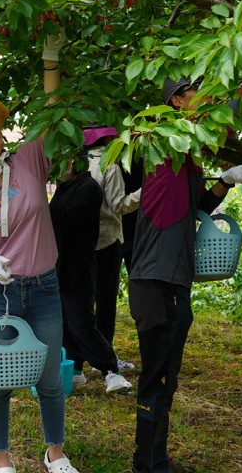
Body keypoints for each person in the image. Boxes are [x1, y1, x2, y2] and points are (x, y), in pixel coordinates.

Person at [0, 33, 82, 473]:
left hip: (43, 286)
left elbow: (51, 113)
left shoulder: (27, 159)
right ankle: (2, 459)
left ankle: (55, 452)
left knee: (48, 379)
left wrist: (50, 59)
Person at [128, 75, 242, 473]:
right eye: (196, 94)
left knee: (166, 377)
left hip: (173, 282)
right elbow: (218, 116)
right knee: (157, 376)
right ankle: (147, 462)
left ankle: (154, 458)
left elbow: (199, 205)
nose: (206, 101)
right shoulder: (163, 153)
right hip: (155, 284)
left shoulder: (185, 162)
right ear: (175, 102)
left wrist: (225, 181)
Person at [50, 154, 132, 393]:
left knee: (82, 322)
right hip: (60, 264)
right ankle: (74, 371)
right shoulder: (65, 187)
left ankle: (110, 370)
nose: (56, 170)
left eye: (60, 162)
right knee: (67, 322)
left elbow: (62, 219)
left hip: (79, 266)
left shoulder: (88, 188)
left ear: (73, 160)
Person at [85, 127, 140, 376]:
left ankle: (77, 363)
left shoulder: (74, 163)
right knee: (105, 304)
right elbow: (118, 205)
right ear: (109, 140)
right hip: (106, 241)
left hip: (80, 243)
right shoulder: (110, 165)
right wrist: (143, 192)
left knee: (82, 303)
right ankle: (106, 361)